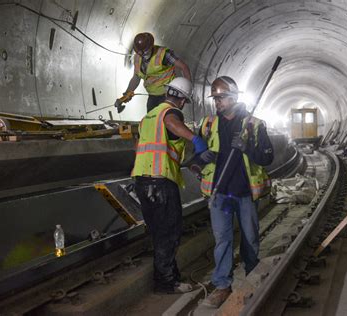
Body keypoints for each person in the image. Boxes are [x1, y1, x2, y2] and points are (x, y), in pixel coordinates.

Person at [197, 76, 274, 307]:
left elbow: (268, 157)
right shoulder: (208, 123)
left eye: (220, 98)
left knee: (250, 238)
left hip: (244, 193)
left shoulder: (254, 124)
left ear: (233, 97)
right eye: (215, 98)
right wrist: (199, 158)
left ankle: (253, 277)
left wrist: (247, 147)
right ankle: (222, 286)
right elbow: (194, 153)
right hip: (219, 192)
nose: (216, 102)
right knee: (223, 240)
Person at [132, 77, 208, 294]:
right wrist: (195, 139)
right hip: (161, 182)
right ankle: (166, 283)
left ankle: (169, 276)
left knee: (159, 233)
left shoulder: (148, 117)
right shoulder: (170, 113)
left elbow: (138, 146)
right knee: (170, 232)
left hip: (142, 180)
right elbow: (172, 124)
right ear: (182, 100)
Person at [115, 32, 192, 114]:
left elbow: (184, 67)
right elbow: (136, 77)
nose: (142, 54)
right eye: (139, 52)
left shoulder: (163, 54)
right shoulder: (137, 58)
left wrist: (188, 90)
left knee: (167, 118)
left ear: (151, 46)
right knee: (151, 119)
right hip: (152, 96)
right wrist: (127, 94)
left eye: (144, 52)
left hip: (168, 95)